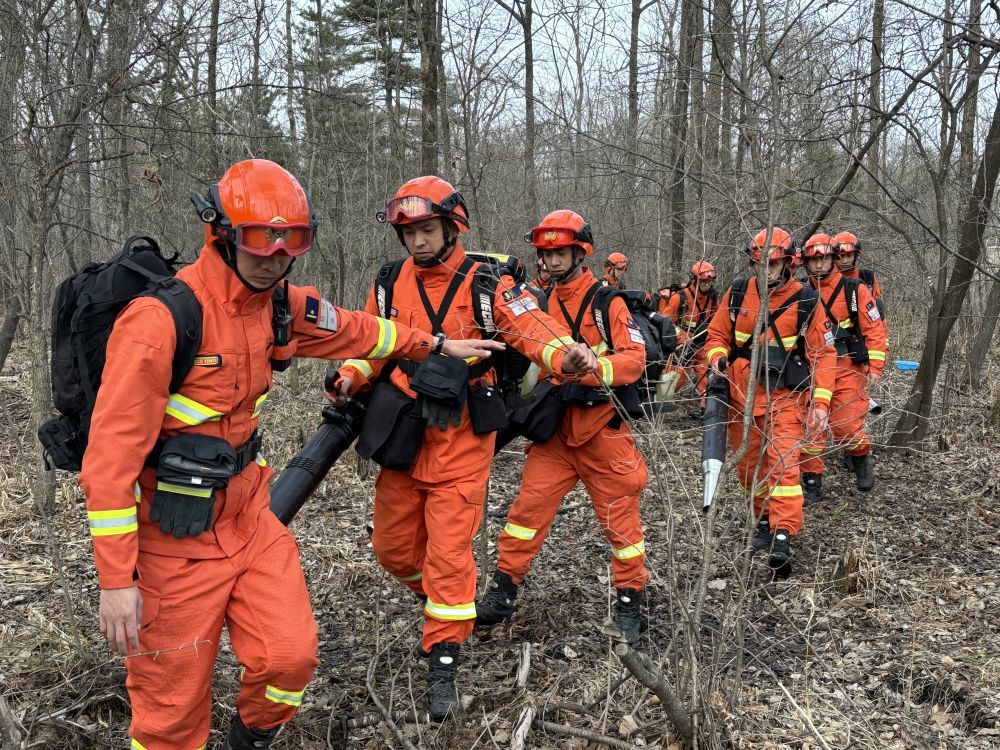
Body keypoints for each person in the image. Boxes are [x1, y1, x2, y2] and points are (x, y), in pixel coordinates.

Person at [79, 159, 501, 750]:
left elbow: (362, 330)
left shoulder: (280, 305)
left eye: (292, 241)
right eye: (261, 239)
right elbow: (109, 462)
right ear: (222, 232)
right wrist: (116, 580)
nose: (276, 257)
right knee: (170, 712)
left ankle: (248, 739)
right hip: (172, 536)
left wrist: (432, 343)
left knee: (290, 660)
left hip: (250, 516)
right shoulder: (160, 321)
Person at [330, 177, 596, 720]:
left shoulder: (488, 282)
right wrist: (351, 375)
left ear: (453, 227)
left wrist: (564, 354)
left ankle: (444, 655)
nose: (419, 241)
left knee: (450, 552)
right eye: (410, 232)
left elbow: (532, 326)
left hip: (462, 435)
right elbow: (374, 342)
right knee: (392, 548)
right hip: (403, 431)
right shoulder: (389, 282)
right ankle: (445, 602)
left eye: (428, 229)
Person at [476, 209, 650, 645]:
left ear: (580, 253)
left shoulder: (608, 302)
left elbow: (635, 360)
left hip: (602, 432)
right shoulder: (536, 303)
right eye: (546, 253)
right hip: (554, 432)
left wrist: (594, 368)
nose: (552, 261)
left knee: (621, 524)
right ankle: (503, 590)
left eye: (560, 253)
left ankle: (630, 600)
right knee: (525, 514)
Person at [703, 228, 836, 570]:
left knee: (784, 466)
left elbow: (823, 354)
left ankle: (783, 535)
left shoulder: (806, 300)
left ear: (788, 263)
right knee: (748, 468)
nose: (766, 271)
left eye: (773, 264)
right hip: (741, 396)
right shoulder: (737, 293)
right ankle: (762, 517)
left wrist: (821, 403)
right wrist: (718, 357)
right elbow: (716, 335)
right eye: (760, 264)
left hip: (786, 397)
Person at [798, 233, 887, 501]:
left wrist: (875, 367)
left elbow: (875, 329)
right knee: (811, 427)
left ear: (833, 259)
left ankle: (859, 456)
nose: (819, 265)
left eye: (824, 259)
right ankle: (812, 482)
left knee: (846, 427)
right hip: (811, 368)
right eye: (813, 260)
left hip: (848, 366)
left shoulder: (855, 289)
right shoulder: (799, 291)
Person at [661, 261, 720, 417]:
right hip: (683, 347)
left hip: (702, 345)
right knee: (675, 380)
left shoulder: (713, 298)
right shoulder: (680, 298)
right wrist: (681, 336)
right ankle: (658, 404)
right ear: (694, 280)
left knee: (707, 379)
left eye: (710, 281)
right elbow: (666, 322)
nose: (707, 284)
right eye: (704, 281)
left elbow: (718, 319)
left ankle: (706, 411)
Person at [832, 231, 885, 319]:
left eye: (849, 255)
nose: (845, 261)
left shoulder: (868, 277)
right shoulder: (828, 279)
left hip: (866, 324)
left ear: (855, 255)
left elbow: (878, 309)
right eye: (841, 256)